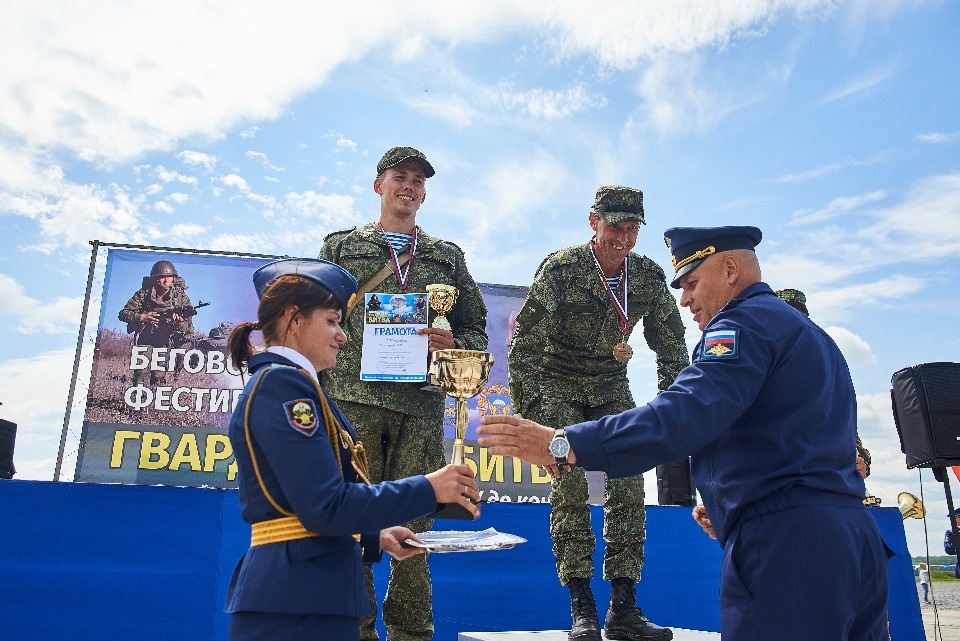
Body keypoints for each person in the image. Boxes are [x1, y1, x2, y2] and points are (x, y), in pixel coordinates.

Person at [478, 225, 890, 640]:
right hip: (852, 542)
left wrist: (563, 443)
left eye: (692, 283)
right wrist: (737, 504)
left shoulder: (742, 326)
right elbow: (797, 443)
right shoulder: (812, 336)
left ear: (730, 269)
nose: (684, 299)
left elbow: (683, 415)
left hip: (790, 551)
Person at [223, 257, 480, 641]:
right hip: (297, 603)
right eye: (331, 321)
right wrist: (429, 488)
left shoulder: (301, 388)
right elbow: (326, 506)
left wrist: (374, 538)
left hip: (310, 595)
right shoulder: (283, 387)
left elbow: (310, 509)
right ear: (294, 320)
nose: (342, 335)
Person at [318, 146, 488, 641]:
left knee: (416, 529)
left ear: (425, 193)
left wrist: (453, 341)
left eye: (417, 181)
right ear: (379, 185)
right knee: (354, 521)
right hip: (352, 399)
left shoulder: (446, 257)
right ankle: (356, 631)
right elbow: (315, 314)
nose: (408, 187)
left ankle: (412, 636)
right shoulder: (341, 249)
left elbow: (474, 327)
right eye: (400, 177)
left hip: (419, 405)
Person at [508, 185, 685, 641]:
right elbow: (524, 345)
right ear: (593, 222)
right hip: (557, 383)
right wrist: (532, 422)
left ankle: (623, 608)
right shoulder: (561, 269)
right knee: (568, 482)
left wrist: (676, 414)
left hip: (610, 386)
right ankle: (581, 607)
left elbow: (671, 346)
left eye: (632, 229)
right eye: (614, 227)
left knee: (629, 480)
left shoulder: (645, 275)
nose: (623, 239)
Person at [775, 288, 877, 503]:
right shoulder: (765, 364)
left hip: (830, 493)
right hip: (781, 490)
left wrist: (861, 460)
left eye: (800, 315)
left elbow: (847, 429)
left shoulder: (826, 366)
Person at [118, 259, 199, 387]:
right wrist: (141, 317)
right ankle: (138, 403)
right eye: (162, 277)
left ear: (174, 278)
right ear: (155, 279)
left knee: (158, 375)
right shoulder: (143, 295)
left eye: (169, 277)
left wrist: (178, 323)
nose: (166, 280)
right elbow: (123, 313)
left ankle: (154, 403)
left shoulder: (180, 298)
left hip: (165, 341)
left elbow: (188, 328)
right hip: (145, 337)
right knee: (140, 373)